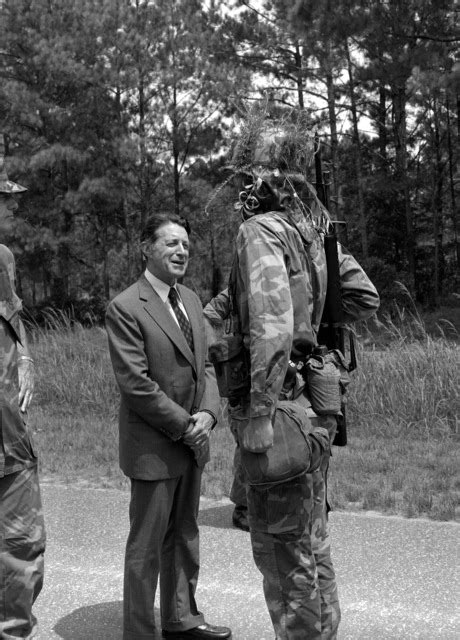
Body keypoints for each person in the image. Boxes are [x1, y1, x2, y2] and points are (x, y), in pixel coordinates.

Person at [204, 116, 380, 640]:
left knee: (284, 551)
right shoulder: (314, 232)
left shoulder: (260, 231)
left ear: (259, 179)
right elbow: (364, 298)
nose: (239, 190)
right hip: (317, 406)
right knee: (311, 539)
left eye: (244, 179)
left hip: (281, 410)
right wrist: (318, 326)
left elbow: (271, 329)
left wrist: (259, 411)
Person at [105, 213, 232, 640]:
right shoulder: (125, 307)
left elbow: (208, 366)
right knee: (146, 546)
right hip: (154, 445)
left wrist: (209, 416)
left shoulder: (192, 301)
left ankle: (181, 620)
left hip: (192, 440)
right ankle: (140, 632)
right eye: (171, 244)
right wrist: (186, 425)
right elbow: (136, 385)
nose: (182, 252)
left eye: (185, 246)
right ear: (146, 248)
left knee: (184, 535)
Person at [0, 133, 46, 640]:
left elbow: (15, 315)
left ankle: (13, 632)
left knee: (22, 542)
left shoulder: (3, 258)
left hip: (11, 433)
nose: (13, 209)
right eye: (6, 201)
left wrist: (27, 357)